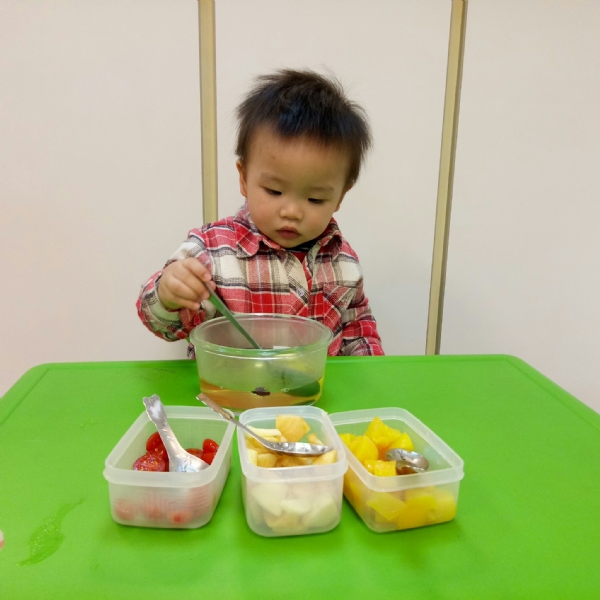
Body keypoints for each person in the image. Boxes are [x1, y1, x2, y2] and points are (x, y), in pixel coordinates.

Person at [137, 68, 384, 357]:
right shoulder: (210, 252)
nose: (291, 212)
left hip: (314, 386)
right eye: (274, 191)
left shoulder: (343, 261)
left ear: (341, 196)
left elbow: (357, 326)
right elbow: (164, 326)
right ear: (244, 178)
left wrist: (370, 368)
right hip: (228, 384)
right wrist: (168, 295)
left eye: (315, 199)